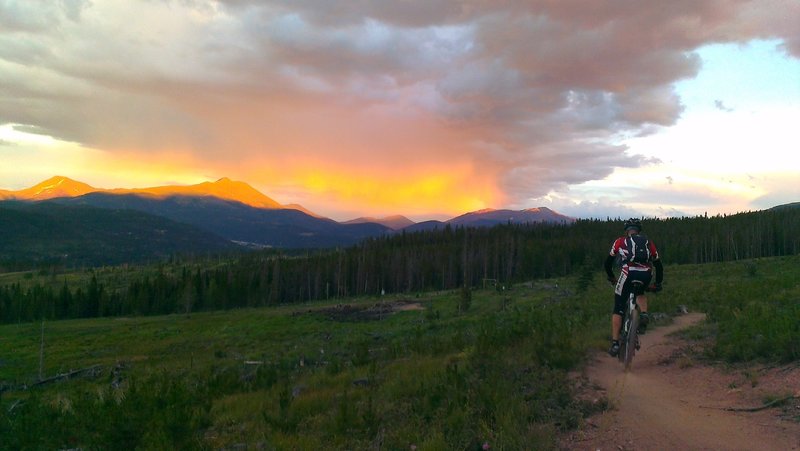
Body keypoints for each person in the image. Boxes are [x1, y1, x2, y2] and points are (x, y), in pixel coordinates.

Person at [604, 218, 663, 357]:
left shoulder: (620, 241)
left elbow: (607, 263)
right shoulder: (648, 242)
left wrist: (611, 277)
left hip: (628, 273)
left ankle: (615, 343)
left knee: (618, 306)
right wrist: (658, 283)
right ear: (638, 230)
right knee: (641, 291)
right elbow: (659, 265)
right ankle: (643, 314)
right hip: (646, 274)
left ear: (627, 230)